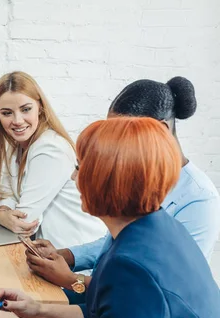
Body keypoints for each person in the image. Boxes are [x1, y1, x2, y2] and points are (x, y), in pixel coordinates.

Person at [0, 117, 220, 318]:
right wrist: (39, 309)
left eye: (79, 168)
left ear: (105, 180)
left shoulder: (131, 266)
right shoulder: (155, 226)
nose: (74, 179)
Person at [26, 77, 220, 300]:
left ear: (161, 130)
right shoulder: (140, 179)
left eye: (120, 134)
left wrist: (71, 281)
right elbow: (115, 241)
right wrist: (68, 256)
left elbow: (159, 293)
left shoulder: (200, 199)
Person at [0, 71, 106, 248]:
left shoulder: (50, 149)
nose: (17, 120)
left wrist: (2, 215)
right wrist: (3, 212)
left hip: (75, 259)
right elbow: (3, 194)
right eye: (7, 113)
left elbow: (25, 221)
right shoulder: (18, 145)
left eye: (26, 109)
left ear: (40, 107)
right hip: (50, 256)